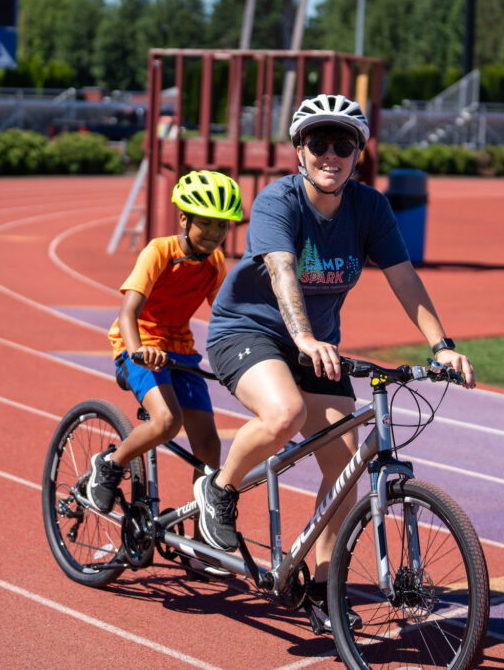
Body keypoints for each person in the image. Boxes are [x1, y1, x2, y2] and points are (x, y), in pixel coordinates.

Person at [192, 93, 476, 632]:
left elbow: (403, 276)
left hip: (315, 346)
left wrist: (442, 346)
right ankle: (220, 488)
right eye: (317, 142)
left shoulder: (369, 207)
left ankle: (324, 588)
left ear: (358, 153)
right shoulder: (278, 203)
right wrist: (301, 335)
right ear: (299, 150)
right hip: (250, 332)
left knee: (346, 471)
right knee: (284, 415)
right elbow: (281, 271)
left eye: (342, 144)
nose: (330, 154)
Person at [88, 170, 243, 522]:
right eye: (207, 224)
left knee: (209, 444)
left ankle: (203, 526)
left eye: (224, 226)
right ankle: (110, 464)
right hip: (140, 343)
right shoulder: (159, 250)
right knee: (167, 421)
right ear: (184, 218)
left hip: (181, 352)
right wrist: (138, 350)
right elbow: (128, 312)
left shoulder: (214, 262)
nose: (216, 234)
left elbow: (224, 316)